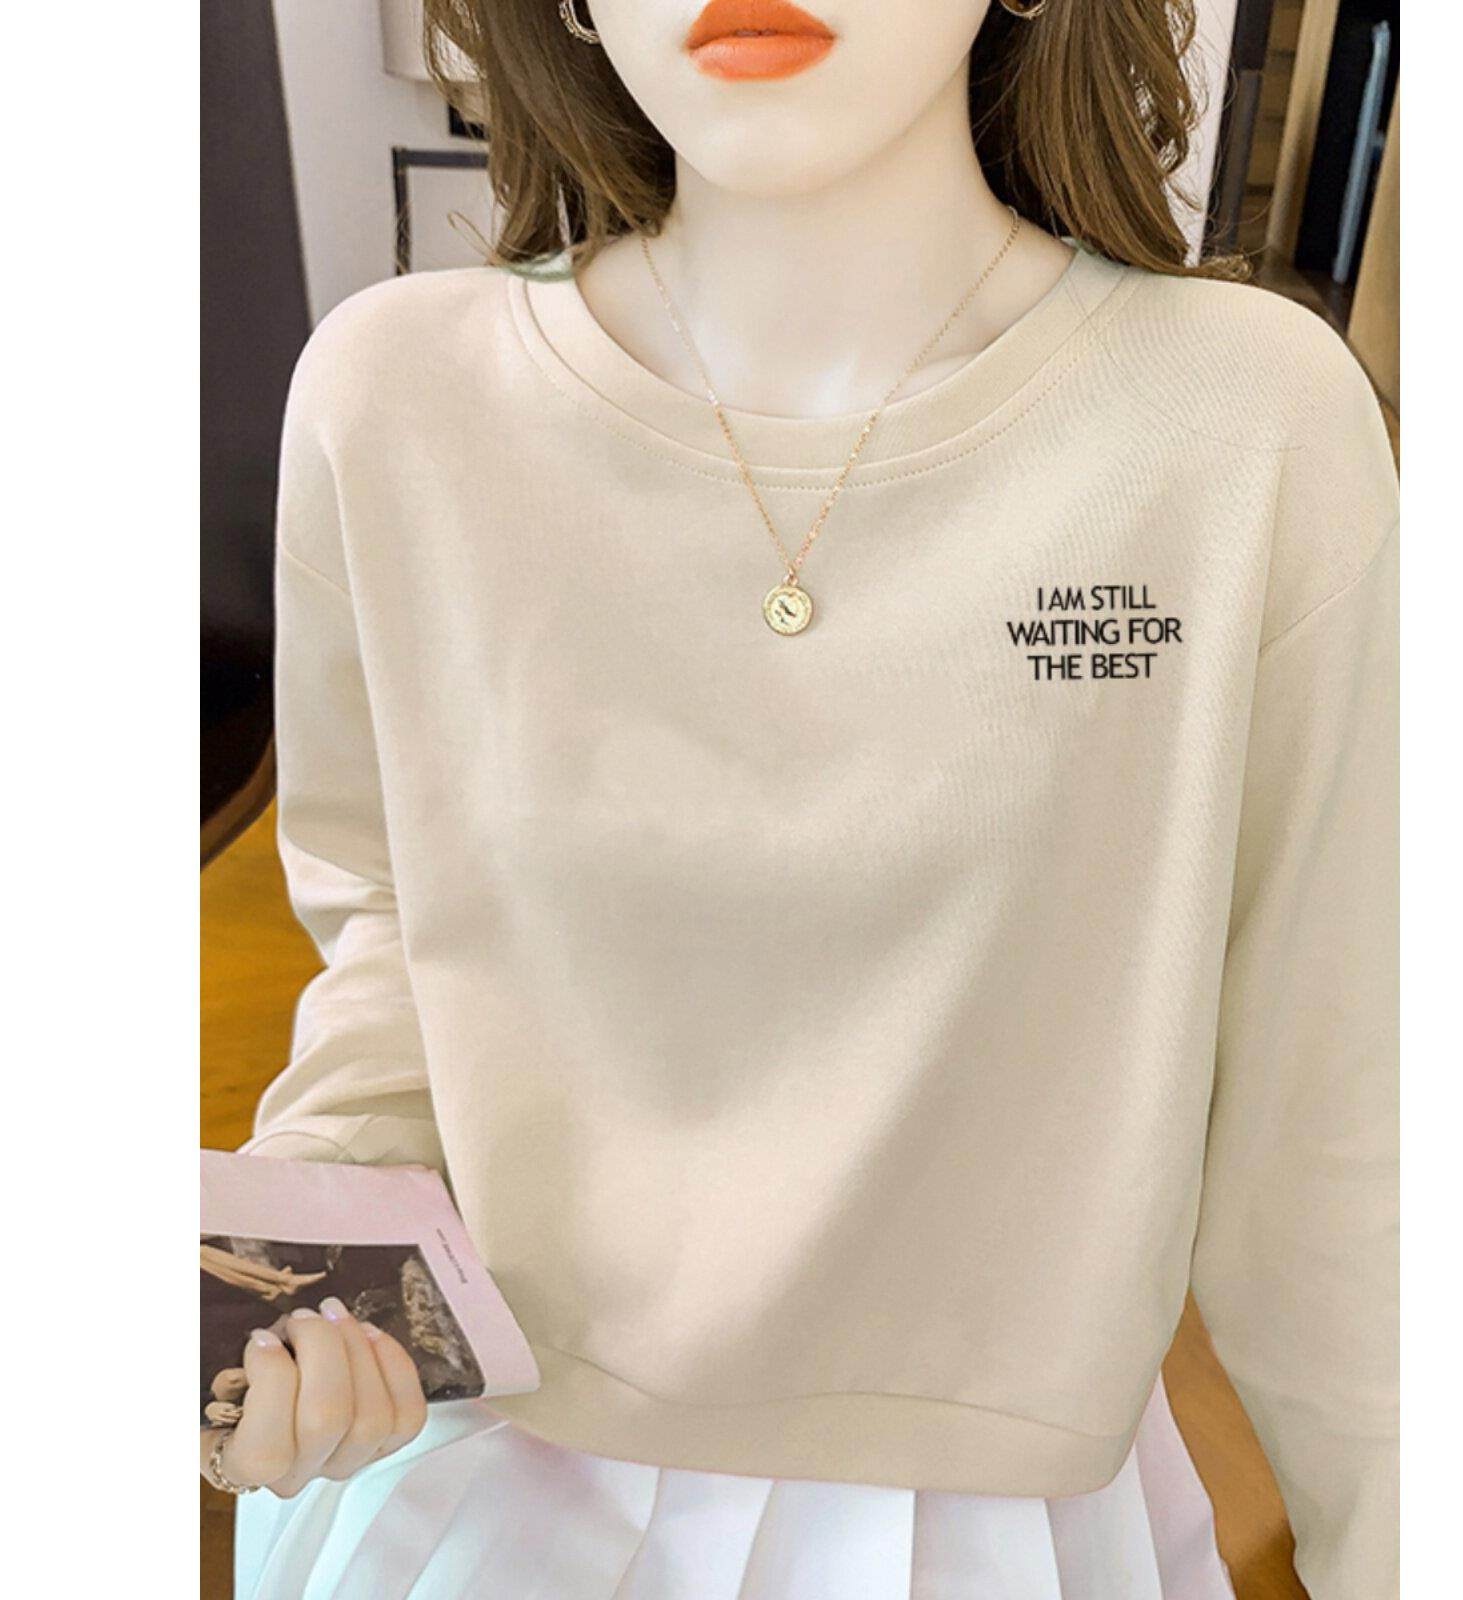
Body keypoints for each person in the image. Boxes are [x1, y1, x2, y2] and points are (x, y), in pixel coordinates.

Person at [203, 2, 1400, 1596]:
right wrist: (297, 1288)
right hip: (476, 1472)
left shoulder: (1243, 423)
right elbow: (391, 937)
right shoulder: (396, 394)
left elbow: (1341, 1123)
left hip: (986, 1525)